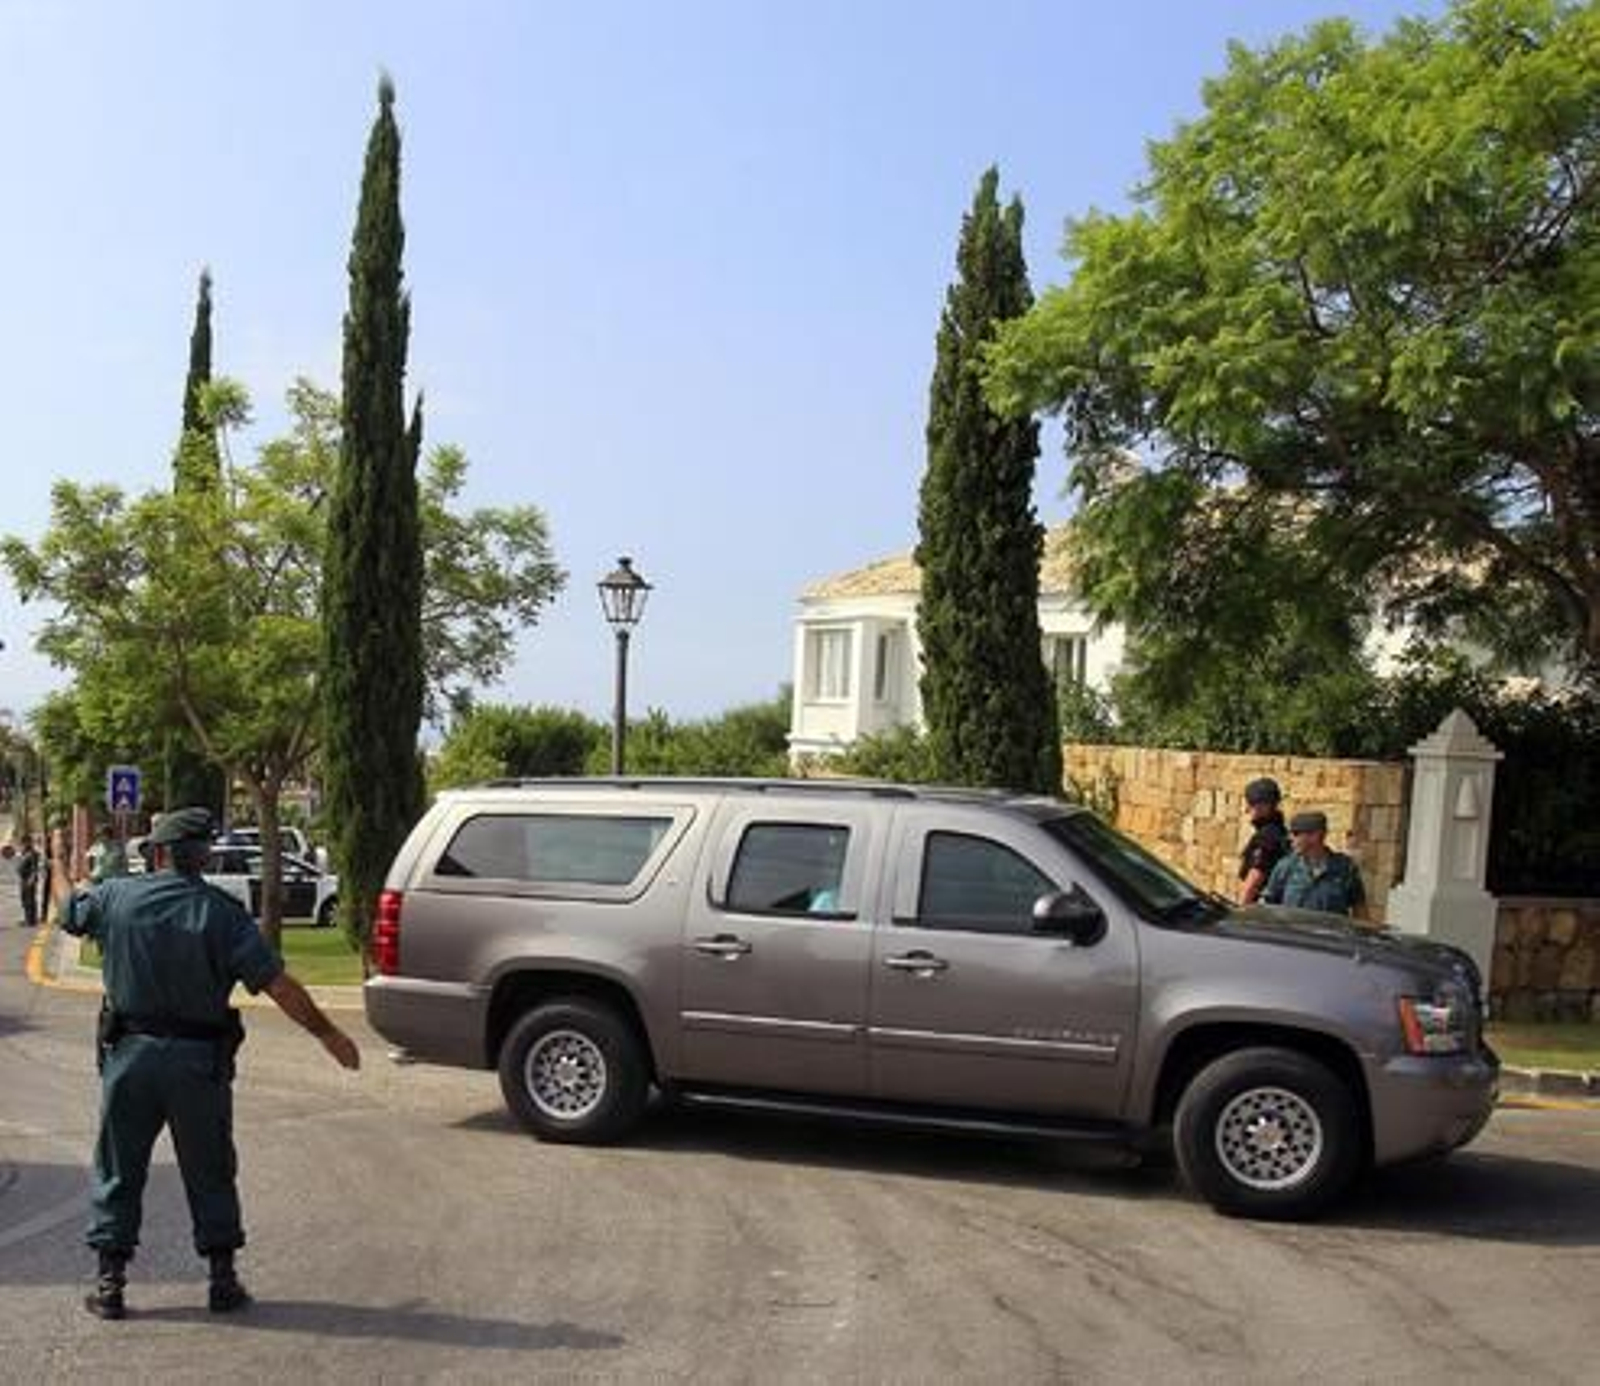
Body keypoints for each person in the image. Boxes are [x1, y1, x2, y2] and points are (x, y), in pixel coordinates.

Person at [53, 806, 361, 1321]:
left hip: (130, 1058)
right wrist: (327, 1034)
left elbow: (68, 910)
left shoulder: (116, 898)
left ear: (157, 852)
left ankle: (110, 1284)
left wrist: (61, 861)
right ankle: (222, 1280)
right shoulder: (221, 914)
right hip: (198, 1064)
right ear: (204, 856)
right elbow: (278, 984)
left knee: (118, 1167)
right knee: (210, 1167)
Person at [1262, 810, 1367, 918]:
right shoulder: (1285, 867)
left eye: (1296, 834)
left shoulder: (1345, 868)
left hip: (1330, 934)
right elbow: (1268, 906)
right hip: (1293, 934)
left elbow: (1359, 908)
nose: (1291, 839)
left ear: (1315, 835)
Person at [1237, 777, 1290, 905]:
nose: (1247, 810)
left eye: (1250, 804)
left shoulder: (1267, 836)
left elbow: (1254, 880)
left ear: (1264, 806)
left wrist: (1240, 914)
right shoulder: (1279, 831)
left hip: (1261, 908)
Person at [16, 833, 40, 928]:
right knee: (24, 899)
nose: (22, 845)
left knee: (30, 900)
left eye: (24, 843)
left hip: (28, 879)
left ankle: (31, 920)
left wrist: (32, 878)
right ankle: (27, 918)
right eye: (22, 843)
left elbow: (34, 868)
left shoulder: (32, 853)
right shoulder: (25, 853)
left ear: (28, 842)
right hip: (23, 879)